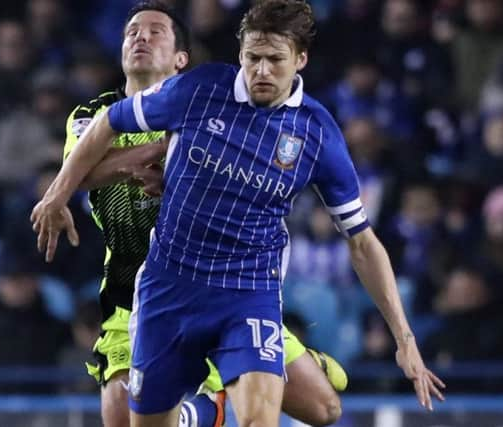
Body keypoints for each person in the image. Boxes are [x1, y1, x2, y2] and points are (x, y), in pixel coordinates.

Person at [32, 1, 446, 426]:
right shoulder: (200, 90)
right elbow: (109, 123)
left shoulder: (317, 133)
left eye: (274, 60)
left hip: (247, 293)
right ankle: (204, 409)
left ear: (300, 60)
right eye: (252, 58)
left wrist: (405, 339)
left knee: (278, 418)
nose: (261, 71)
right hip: (168, 287)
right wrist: (55, 196)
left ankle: (255, 375)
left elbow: (362, 241)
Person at [61, 2, 347, 426]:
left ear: (182, 59)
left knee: (324, 409)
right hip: (132, 288)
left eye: (155, 31)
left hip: (222, 284)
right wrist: (155, 151)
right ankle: (203, 406)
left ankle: (278, 366)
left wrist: (153, 162)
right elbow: (79, 173)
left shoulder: (207, 109)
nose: (140, 37)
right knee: (121, 416)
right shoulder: (94, 115)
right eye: (132, 32)